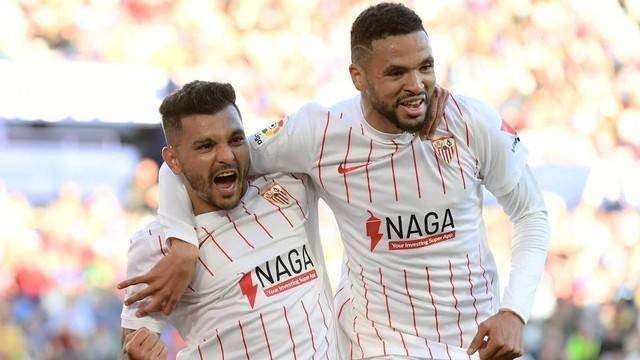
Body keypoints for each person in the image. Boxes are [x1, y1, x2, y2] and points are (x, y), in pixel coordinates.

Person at [130, 3, 550, 359]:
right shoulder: (320, 134)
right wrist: (183, 243)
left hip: (476, 333)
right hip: (379, 341)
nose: (416, 85)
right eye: (396, 73)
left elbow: (531, 213)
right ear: (357, 77)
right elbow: (194, 162)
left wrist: (514, 311)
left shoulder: (470, 122)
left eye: (425, 67)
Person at [119, 81, 338, 359]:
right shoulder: (155, 246)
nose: (226, 156)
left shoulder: (290, 188)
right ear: (173, 161)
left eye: (235, 139)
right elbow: (134, 343)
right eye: (206, 146)